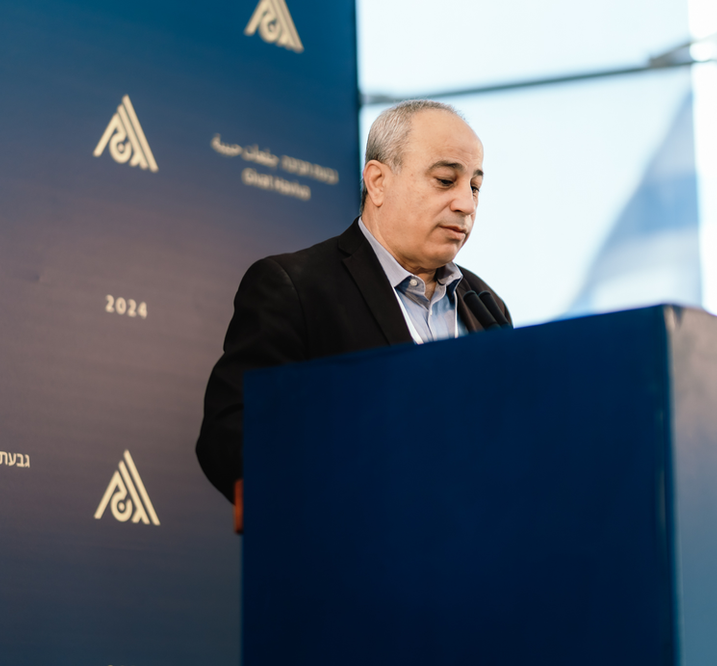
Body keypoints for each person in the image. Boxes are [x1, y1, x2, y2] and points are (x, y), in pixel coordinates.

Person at [196, 100, 511, 503]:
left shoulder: (487, 307)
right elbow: (230, 435)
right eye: (446, 180)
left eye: (475, 187)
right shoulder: (295, 288)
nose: (466, 204)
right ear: (378, 182)